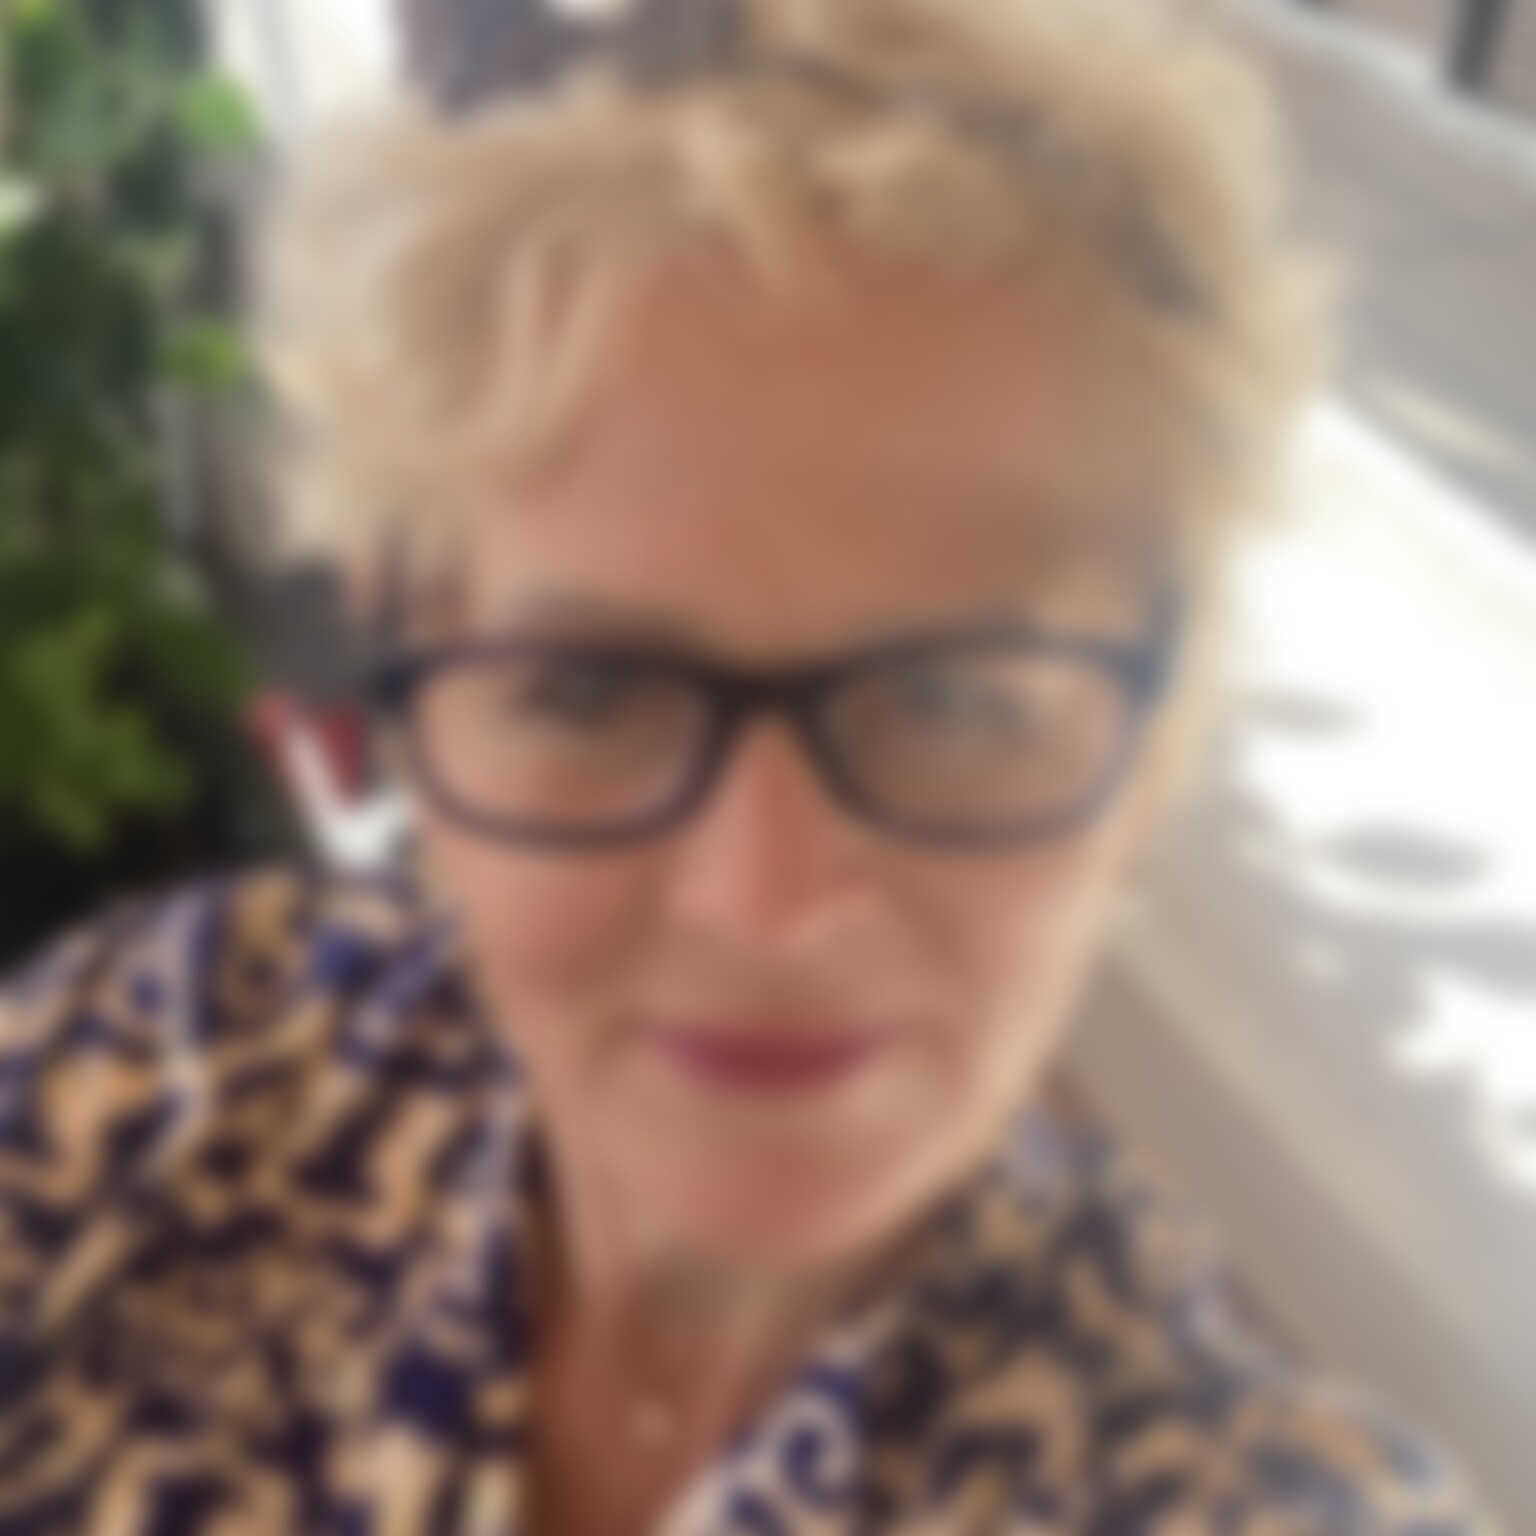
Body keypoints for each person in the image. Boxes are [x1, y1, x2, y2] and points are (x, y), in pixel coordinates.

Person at [0, 1, 1497, 1532]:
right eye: (590, 691)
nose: (767, 907)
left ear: (1155, 752)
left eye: (953, 699)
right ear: (413, 678)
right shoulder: (168, 1050)